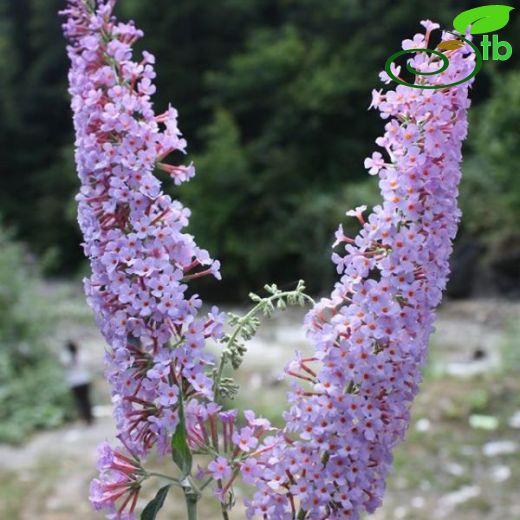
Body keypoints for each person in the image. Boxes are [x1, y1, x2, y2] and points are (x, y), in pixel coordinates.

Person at [61, 340, 94, 425]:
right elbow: (88, 363)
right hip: (84, 380)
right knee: (86, 399)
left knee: (79, 401)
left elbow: (63, 365)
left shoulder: (66, 355)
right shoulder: (81, 353)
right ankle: (90, 417)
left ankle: (85, 418)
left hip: (74, 382)